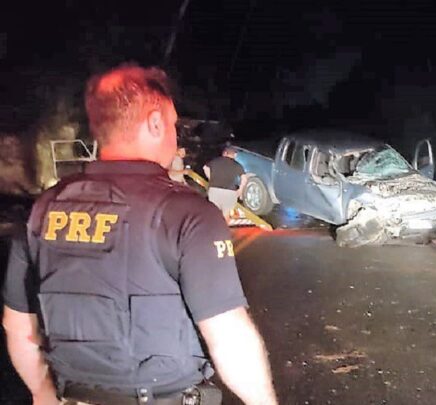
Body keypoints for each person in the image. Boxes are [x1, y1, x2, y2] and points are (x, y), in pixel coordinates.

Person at [1, 64, 278, 405]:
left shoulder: (41, 210)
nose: (176, 137)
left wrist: (44, 394)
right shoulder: (188, 214)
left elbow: (19, 329)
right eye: (174, 124)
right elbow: (229, 337)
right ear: (155, 123)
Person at [203, 147, 247, 221]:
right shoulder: (237, 165)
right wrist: (240, 190)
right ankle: (225, 230)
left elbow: (205, 168)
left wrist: (211, 178)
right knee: (226, 214)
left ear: (225, 153)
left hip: (214, 190)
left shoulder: (215, 161)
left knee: (215, 213)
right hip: (230, 192)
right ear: (235, 155)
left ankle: (214, 229)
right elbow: (244, 179)